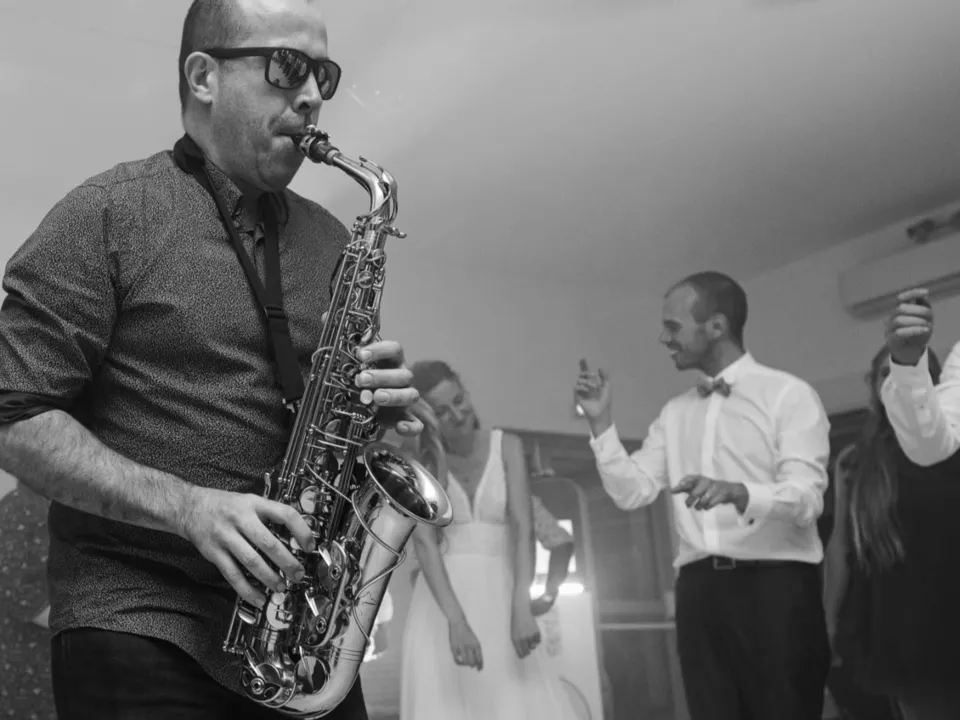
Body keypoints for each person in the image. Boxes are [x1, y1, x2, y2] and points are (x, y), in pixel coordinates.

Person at [0, 1, 423, 718]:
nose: (313, 95)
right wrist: (186, 507)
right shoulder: (107, 214)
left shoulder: (330, 240)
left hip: (299, 644)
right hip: (139, 626)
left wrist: (369, 417)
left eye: (323, 74)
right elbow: (13, 414)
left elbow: (324, 441)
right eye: (288, 66)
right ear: (204, 77)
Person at [574, 271, 831, 720]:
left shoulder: (788, 395)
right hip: (699, 592)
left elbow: (807, 499)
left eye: (673, 326)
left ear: (716, 326)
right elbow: (632, 492)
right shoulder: (675, 413)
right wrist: (601, 424)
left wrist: (740, 493)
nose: (663, 338)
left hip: (774, 588)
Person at [397, 363, 579, 720]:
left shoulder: (507, 446)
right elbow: (424, 543)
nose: (457, 415)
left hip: (502, 595)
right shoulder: (421, 463)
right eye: (442, 412)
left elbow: (524, 529)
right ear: (427, 418)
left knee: (516, 703)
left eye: (459, 401)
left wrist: (522, 606)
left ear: (466, 391)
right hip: (440, 607)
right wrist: (455, 622)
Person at [854, 287, 960, 718]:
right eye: (886, 375)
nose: (893, 384)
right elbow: (849, 551)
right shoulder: (860, 461)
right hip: (906, 623)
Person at [822, 347, 941, 720]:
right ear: (874, 386)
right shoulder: (855, 463)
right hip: (893, 618)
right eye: (886, 374)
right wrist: (828, 622)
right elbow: (841, 547)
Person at [0, 479, 56, 720]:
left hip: (64, 651)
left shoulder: (74, 507)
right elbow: (16, 590)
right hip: (27, 658)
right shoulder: (14, 509)